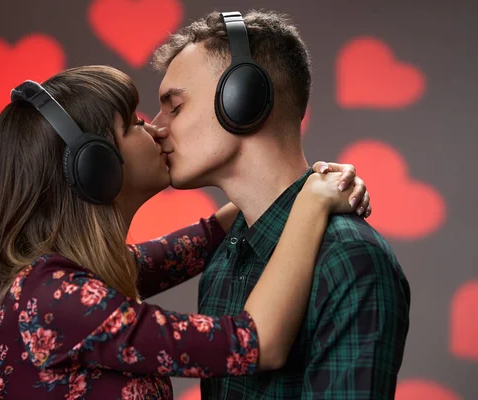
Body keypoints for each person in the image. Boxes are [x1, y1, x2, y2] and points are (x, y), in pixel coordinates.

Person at [0, 65, 372, 399]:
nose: (157, 131)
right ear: (95, 166)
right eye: (135, 124)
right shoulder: (56, 298)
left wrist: (308, 181)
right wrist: (313, 204)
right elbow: (254, 342)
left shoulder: (62, 282)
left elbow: (204, 238)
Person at [150, 9, 411, 399]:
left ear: (243, 99)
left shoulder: (349, 258)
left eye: (175, 106)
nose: (156, 126)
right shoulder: (225, 255)